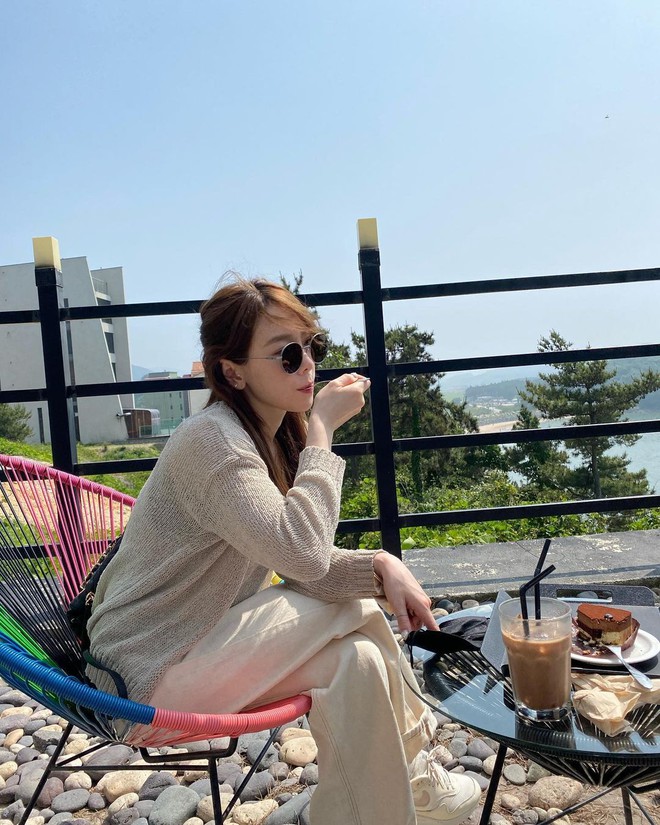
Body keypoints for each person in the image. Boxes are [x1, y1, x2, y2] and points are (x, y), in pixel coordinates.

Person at [87, 277, 482, 825]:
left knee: (358, 661)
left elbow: (296, 560)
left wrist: (380, 564)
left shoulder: (263, 437)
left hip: (198, 648)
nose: (308, 366)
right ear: (233, 371)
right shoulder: (213, 443)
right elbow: (303, 558)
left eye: (311, 347)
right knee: (353, 608)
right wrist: (321, 428)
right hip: (141, 677)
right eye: (288, 355)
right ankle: (417, 771)